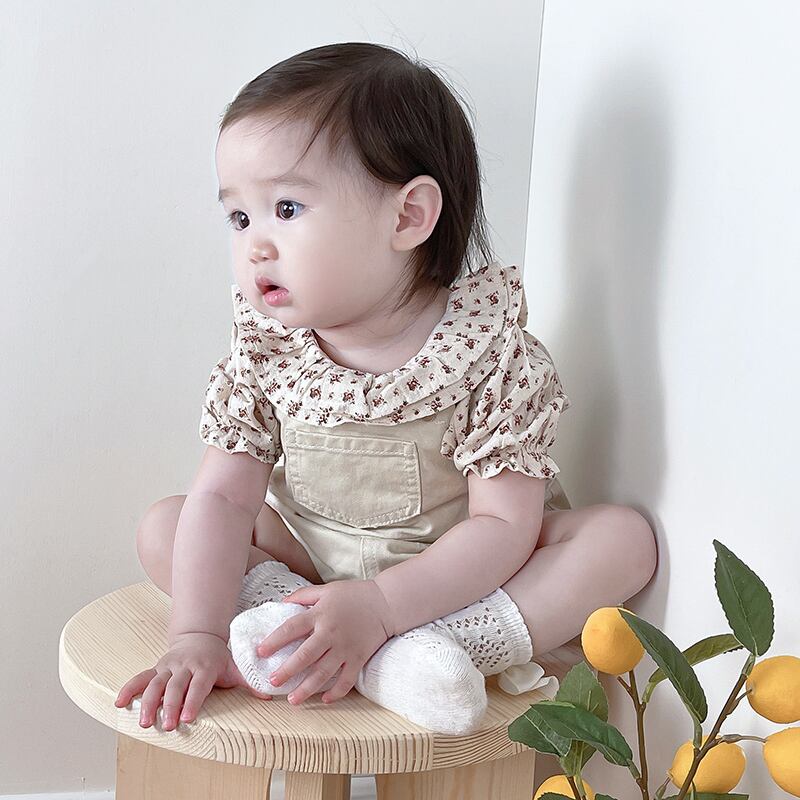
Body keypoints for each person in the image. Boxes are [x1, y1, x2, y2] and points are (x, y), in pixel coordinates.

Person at [114, 42, 658, 735]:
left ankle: (435, 646)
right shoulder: (268, 351)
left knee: (623, 542)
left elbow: (502, 526)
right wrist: (195, 634)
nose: (255, 246)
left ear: (407, 217)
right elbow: (224, 496)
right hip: (310, 562)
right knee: (168, 523)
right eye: (240, 218)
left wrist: (383, 606)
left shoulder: (487, 355)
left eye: (287, 208)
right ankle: (304, 623)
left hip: (456, 581)